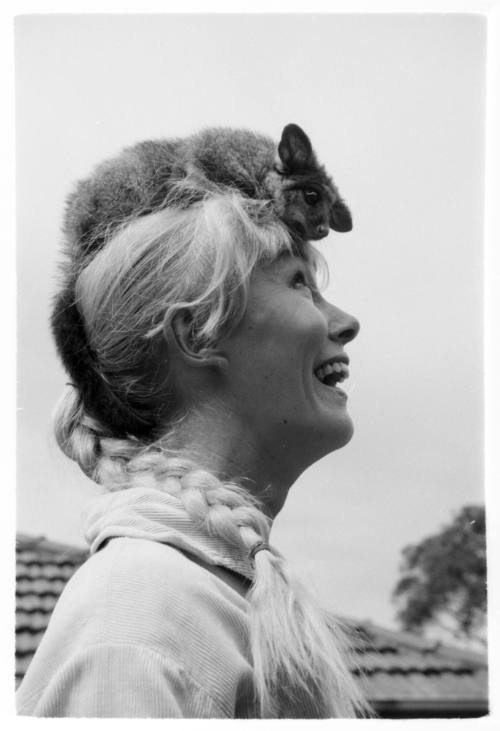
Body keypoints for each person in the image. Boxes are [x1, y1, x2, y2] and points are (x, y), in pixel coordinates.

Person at [17, 130, 370, 719]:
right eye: (299, 282)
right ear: (198, 333)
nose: (346, 321)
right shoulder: (140, 619)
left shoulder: (207, 599)